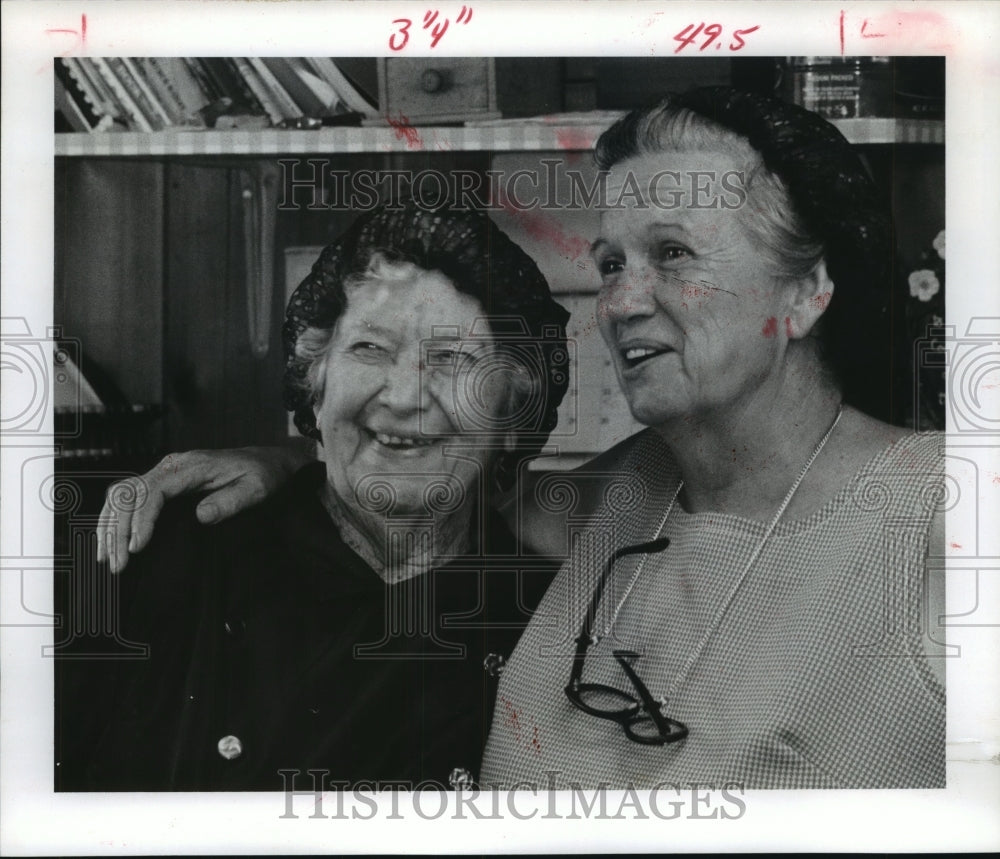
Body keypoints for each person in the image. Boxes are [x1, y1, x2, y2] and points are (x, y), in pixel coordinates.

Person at [96, 87, 946, 789]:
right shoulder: (613, 499)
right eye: (611, 264)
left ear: (808, 290)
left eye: (674, 253)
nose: (617, 301)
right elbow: (422, 467)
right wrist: (290, 454)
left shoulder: (945, 519)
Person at [66, 199, 570, 791]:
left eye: (453, 358)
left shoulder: (550, 614)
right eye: (369, 349)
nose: (405, 396)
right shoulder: (165, 552)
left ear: (514, 410)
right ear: (315, 384)